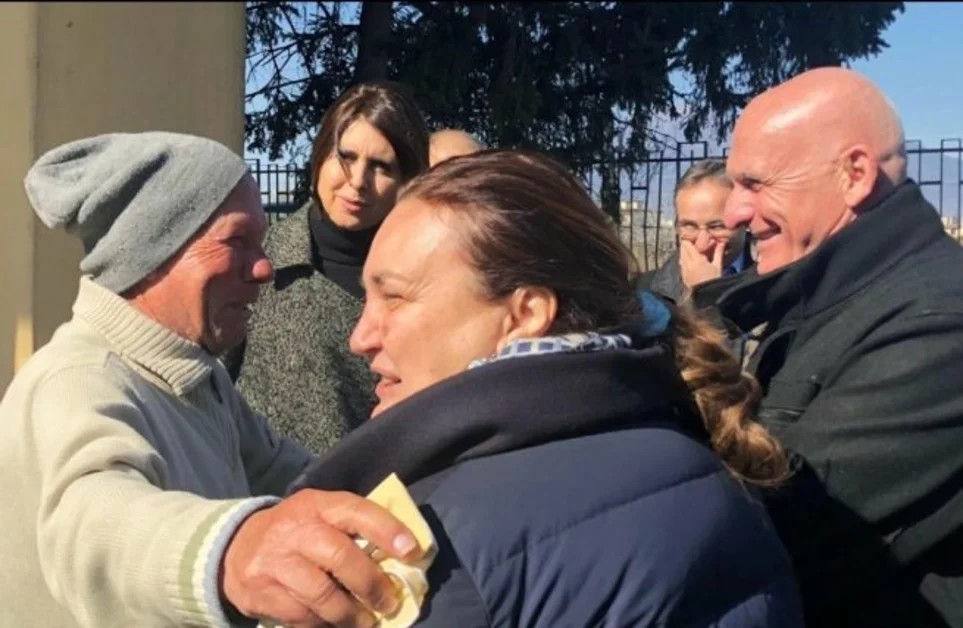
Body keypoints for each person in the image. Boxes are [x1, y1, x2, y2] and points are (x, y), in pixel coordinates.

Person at [293, 149, 805, 626]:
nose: (360, 337)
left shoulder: (434, 548)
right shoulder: (689, 440)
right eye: (367, 298)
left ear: (526, 314)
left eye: (395, 298)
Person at [0, 132, 425, 628]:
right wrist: (230, 552)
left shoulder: (197, 376)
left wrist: (421, 485)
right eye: (236, 242)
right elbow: (93, 524)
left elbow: (288, 469)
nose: (265, 268)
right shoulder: (76, 382)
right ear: (152, 253)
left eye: (261, 243)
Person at [690, 67, 963, 627]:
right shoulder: (827, 295)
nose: (736, 213)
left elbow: (768, 523)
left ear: (854, 174)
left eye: (756, 183)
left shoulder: (939, 320)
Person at [226, 82, 431, 455]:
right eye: (346, 157)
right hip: (263, 499)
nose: (357, 182)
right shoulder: (260, 263)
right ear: (320, 156)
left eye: (381, 166)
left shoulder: (427, 283)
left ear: (408, 180)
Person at [638, 159, 752, 303]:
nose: (702, 244)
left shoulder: (771, 289)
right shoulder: (641, 295)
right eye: (689, 226)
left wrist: (707, 293)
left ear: (746, 222)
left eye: (717, 227)